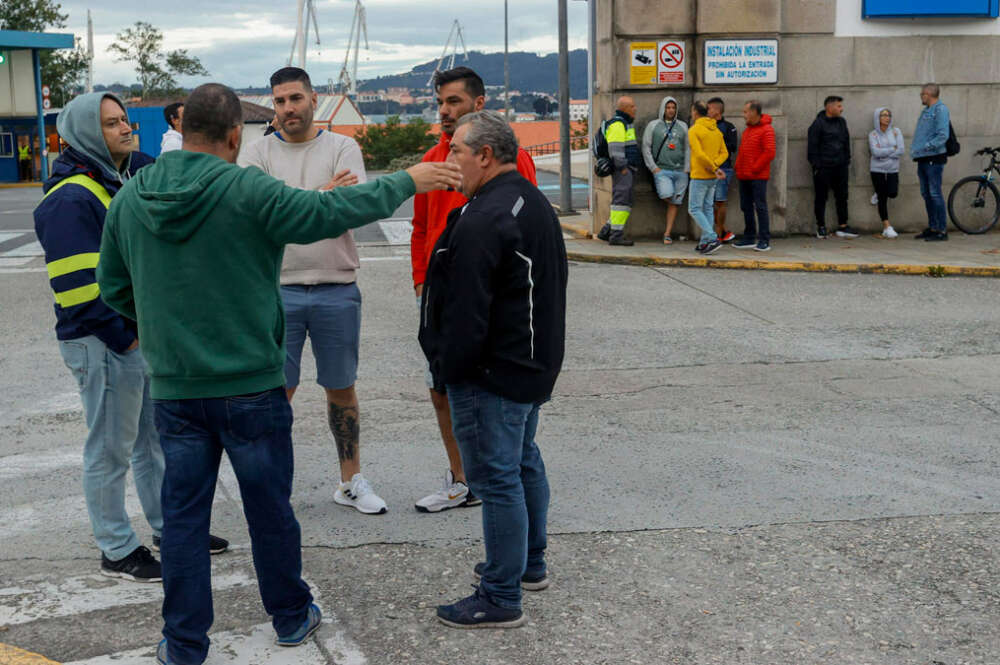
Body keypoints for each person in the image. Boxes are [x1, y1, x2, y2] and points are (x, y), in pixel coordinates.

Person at [96, 83, 460, 665]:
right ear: (236, 136)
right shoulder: (245, 188)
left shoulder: (133, 195)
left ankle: (184, 644)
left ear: (183, 130)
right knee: (270, 512)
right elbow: (326, 213)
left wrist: (163, 328)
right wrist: (405, 181)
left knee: (184, 523)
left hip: (175, 389)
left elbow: (112, 285)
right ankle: (290, 616)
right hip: (250, 386)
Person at [33, 92, 228, 585]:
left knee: (151, 443)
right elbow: (78, 289)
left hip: (127, 338)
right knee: (110, 449)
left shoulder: (113, 177)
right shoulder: (71, 197)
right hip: (101, 340)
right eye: (111, 124)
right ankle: (117, 548)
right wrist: (128, 338)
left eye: (125, 120)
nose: (125, 129)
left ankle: (170, 529)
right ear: (83, 134)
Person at [419, 110, 567, 629]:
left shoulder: (486, 216)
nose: (449, 158)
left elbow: (466, 311)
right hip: (529, 364)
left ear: (484, 155)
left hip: (493, 372)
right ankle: (528, 564)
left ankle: (501, 594)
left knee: (496, 477)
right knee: (522, 461)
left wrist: (447, 370)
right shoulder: (528, 200)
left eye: (456, 150)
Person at [239, 66, 386, 515]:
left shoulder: (343, 146)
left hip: (336, 287)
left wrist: (292, 201)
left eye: (295, 99)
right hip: (276, 291)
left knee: (341, 389)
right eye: (280, 101)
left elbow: (352, 210)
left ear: (314, 99)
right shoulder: (256, 152)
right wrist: (324, 195)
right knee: (275, 395)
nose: (288, 109)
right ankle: (272, 486)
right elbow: (259, 217)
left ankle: (350, 481)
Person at [410, 66, 538, 514]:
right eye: (441, 103)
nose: (445, 111)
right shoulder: (432, 157)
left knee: (489, 391)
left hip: (488, 300)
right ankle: (462, 477)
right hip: (441, 296)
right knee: (440, 387)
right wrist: (422, 280)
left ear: (479, 103)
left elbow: (526, 226)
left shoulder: (504, 158)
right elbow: (421, 226)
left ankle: (497, 473)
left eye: (454, 102)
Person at [641, 96, 690, 245]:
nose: (671, 110)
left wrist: (687, 168)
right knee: (666, 194)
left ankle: (667, 233)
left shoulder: (682, 126)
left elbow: (688, 148)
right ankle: (667, 229)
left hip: (680, 171)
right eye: (668, 107)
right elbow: (646, 147)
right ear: (663, 108)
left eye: (673, 108)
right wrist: (653, 168)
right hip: (662, 170)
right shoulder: (653, 125)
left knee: (675, 203)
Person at [808, 95, 858, 239]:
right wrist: (817, 166)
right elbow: (812, 148)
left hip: (840, 166)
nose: (841, 109)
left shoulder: (842, 122)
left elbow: (846, 142)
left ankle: (843, 226)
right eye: (838, 106)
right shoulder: (818, 124)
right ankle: (821, 226)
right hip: (824, 168)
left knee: (842, 196)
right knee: (821, 197)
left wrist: (846, 160)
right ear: (829, 107)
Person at [733, 100, 776, 252]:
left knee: (760, 207)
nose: (744, 115)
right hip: (744, 175)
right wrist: (738, 167)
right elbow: (742, 151)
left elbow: (769, 152)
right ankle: (749, 237)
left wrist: (755, 167)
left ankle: (764, 239)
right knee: (746, 207)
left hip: (757, 176)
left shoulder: (767, 129)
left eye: (746, 112)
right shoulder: (748, 131)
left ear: (754, 112)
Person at [596, 95, 639, 246]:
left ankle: (607, 230)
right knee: (621, 202)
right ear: (625, 108)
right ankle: (616, 235)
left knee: (624, 202)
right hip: (623, 170)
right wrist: (623, 168)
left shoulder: (625, 123)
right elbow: (615, 150)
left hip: (627, 169)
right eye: (632, 106)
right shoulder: (618, 124)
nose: (635, 109)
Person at [687, 101, 728, 255]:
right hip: (713, 177)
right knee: (708, 208)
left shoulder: (694, 130)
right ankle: (705, 241)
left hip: (700, 175)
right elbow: (724, 153)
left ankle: (711, 237)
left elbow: (698, 153)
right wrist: (715, 166)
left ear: (695, 112)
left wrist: (712, 166)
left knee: (694, 208)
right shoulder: (716, 130)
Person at [911, 83, 951, 242]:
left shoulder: (940, 110)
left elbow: (943, 135)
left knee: (935, 193)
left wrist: (927, 147)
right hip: (923, 158)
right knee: (926, 193)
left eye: (922, 94)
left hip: (933, 158)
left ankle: (941, 229)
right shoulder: (926, 110)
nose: (921, 96)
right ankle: (933, 227)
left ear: (929, 94)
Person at [869, 107, 904, 239]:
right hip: (877, 169)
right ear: (877, 118)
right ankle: (887, 226)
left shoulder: (896, 131)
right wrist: (891, 150)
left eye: (888, 115)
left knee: (893, 193)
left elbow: (900, 150)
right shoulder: (873, 135)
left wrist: (884, 153)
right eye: (883, 115)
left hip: (892, 169)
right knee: (883, 198)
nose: (887, 118)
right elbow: (875, 153)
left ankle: (878, 191)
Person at [707, 97, 738, 243]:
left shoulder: (728, 126)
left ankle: (719, 233)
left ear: (717, 111)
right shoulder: (706, 126)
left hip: (723, 168)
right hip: (707, 169)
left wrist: (717, 140)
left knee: (720, 201)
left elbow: (733, 147)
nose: (707, 111)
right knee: (707, 202)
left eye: (709, 108)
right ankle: (722, 231)